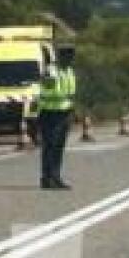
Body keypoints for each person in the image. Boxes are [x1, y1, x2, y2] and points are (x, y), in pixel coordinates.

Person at [39, 48, 76, 189]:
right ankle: (47, 178)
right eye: (68, 57)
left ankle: (56, 176)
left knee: (59, 147)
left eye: (72, 57)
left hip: (64, 112)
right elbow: (46, 90)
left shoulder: (69, 71)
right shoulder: (51, 71)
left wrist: (72, 110)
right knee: (50, 146)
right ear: (61, 57)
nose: (71, 60)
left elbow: (70, 94)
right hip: (50, 112)